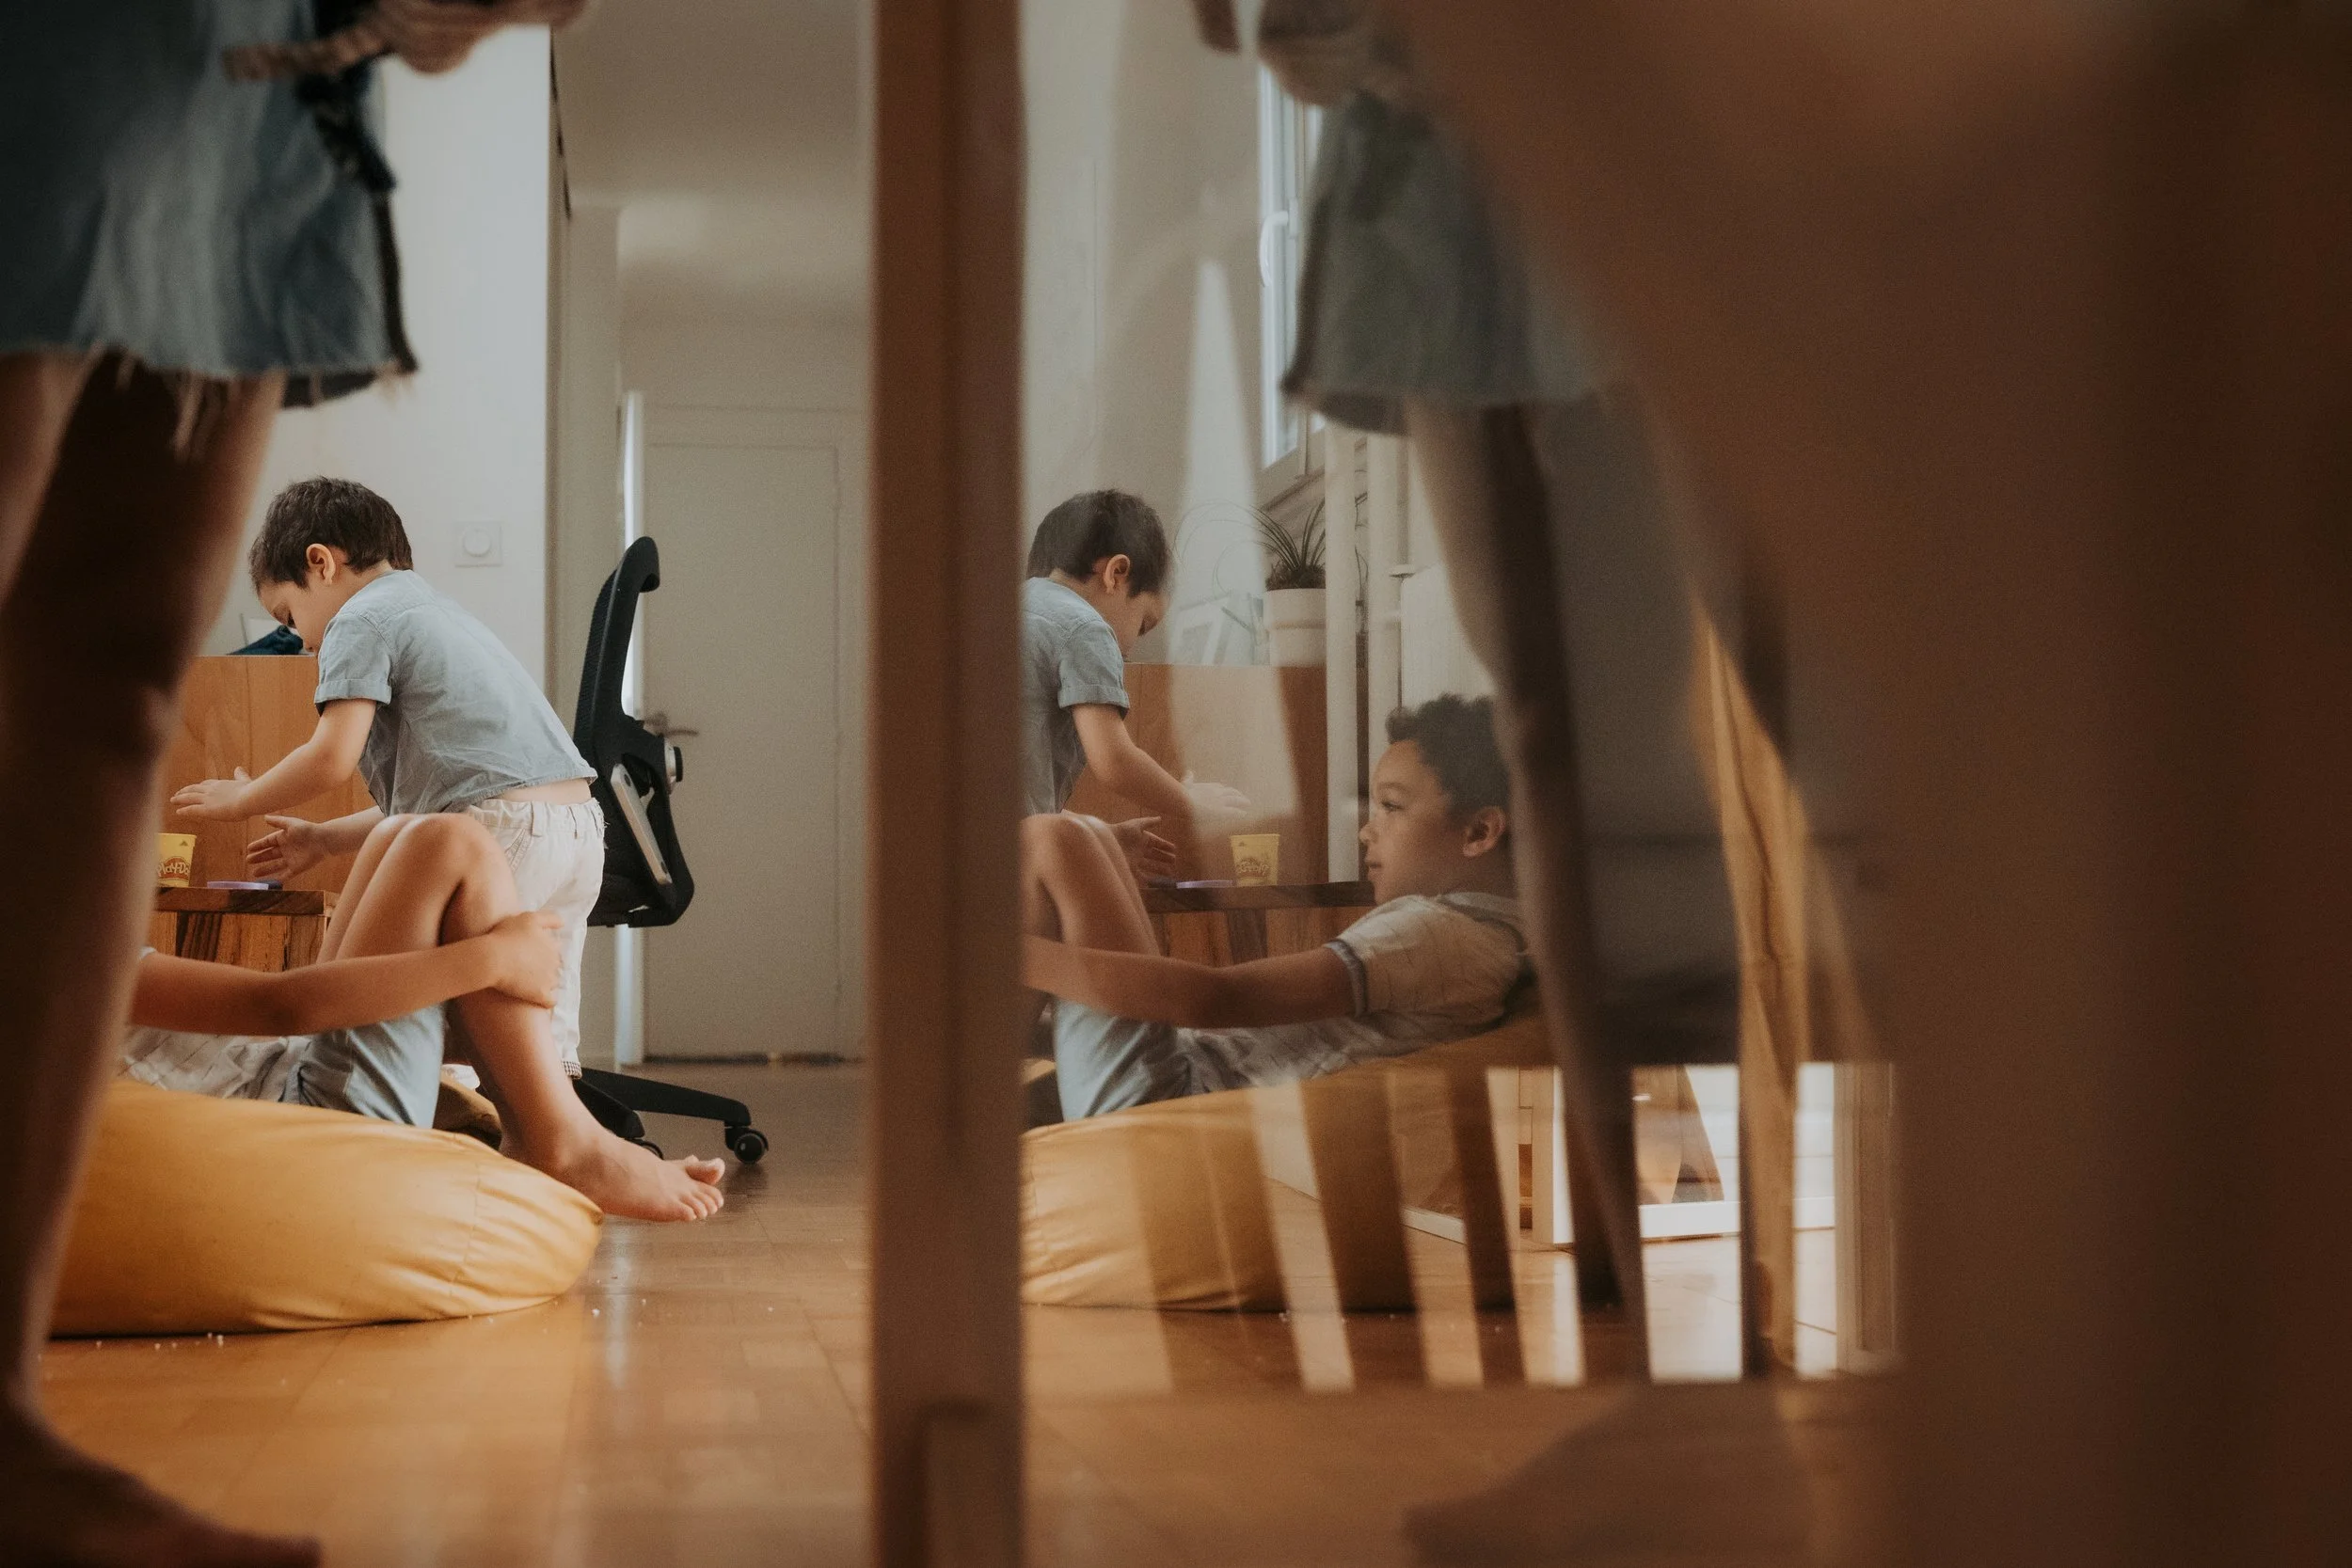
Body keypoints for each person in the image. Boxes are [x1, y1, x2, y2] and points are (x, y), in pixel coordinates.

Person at [0, 7, 581, 1561]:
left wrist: (280, 818)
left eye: (291, 606)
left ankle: (2, 1424)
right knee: (409, 845)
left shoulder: (377, 613)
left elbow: (329, 770)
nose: (292, 629)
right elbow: (291, 930)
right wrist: (466, 943)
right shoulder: (391, 615)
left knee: (120, 677)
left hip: (260, 46)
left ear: (321, 568)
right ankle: (569, 1132)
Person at [174, 479, 606, 1078]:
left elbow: (330, 756)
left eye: (289, 615)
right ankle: (548, 1152)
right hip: (575, 830)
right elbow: (450, 793)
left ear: (320, 563)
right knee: (535, 1034)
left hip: (502, 831)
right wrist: (323, 839)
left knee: (431, 1015)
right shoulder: (433, 611)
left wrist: (242, 797)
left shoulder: (359, 621)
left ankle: (435, 1149)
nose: (299, 640)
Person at [125, 811, 724, 1226]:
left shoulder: (71, 958)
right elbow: (282, 1006)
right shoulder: (68, 973)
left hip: (286, 1085)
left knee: (399, 835)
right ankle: (564, 1146)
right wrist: (490, 961)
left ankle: (545, 1128)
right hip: (311, 1138)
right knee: (450, 845)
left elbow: (282, 1019)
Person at [1024, 695, 1526, 1119]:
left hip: (1172, 1106)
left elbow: (1218, 999)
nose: (1366, 831)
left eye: (1391, 807)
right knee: (1086, 839)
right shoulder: (1477, 936)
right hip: (1184, 1082)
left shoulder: (1441, 935)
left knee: (1057, 838)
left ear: (1480, 832)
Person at [1022, 489, 1247, 878]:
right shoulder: (1085, 627)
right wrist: (1189, 801)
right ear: (1116, 573)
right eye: (1144, 623)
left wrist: (1098, 836)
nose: (1129, 648)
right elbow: (1114, 761)